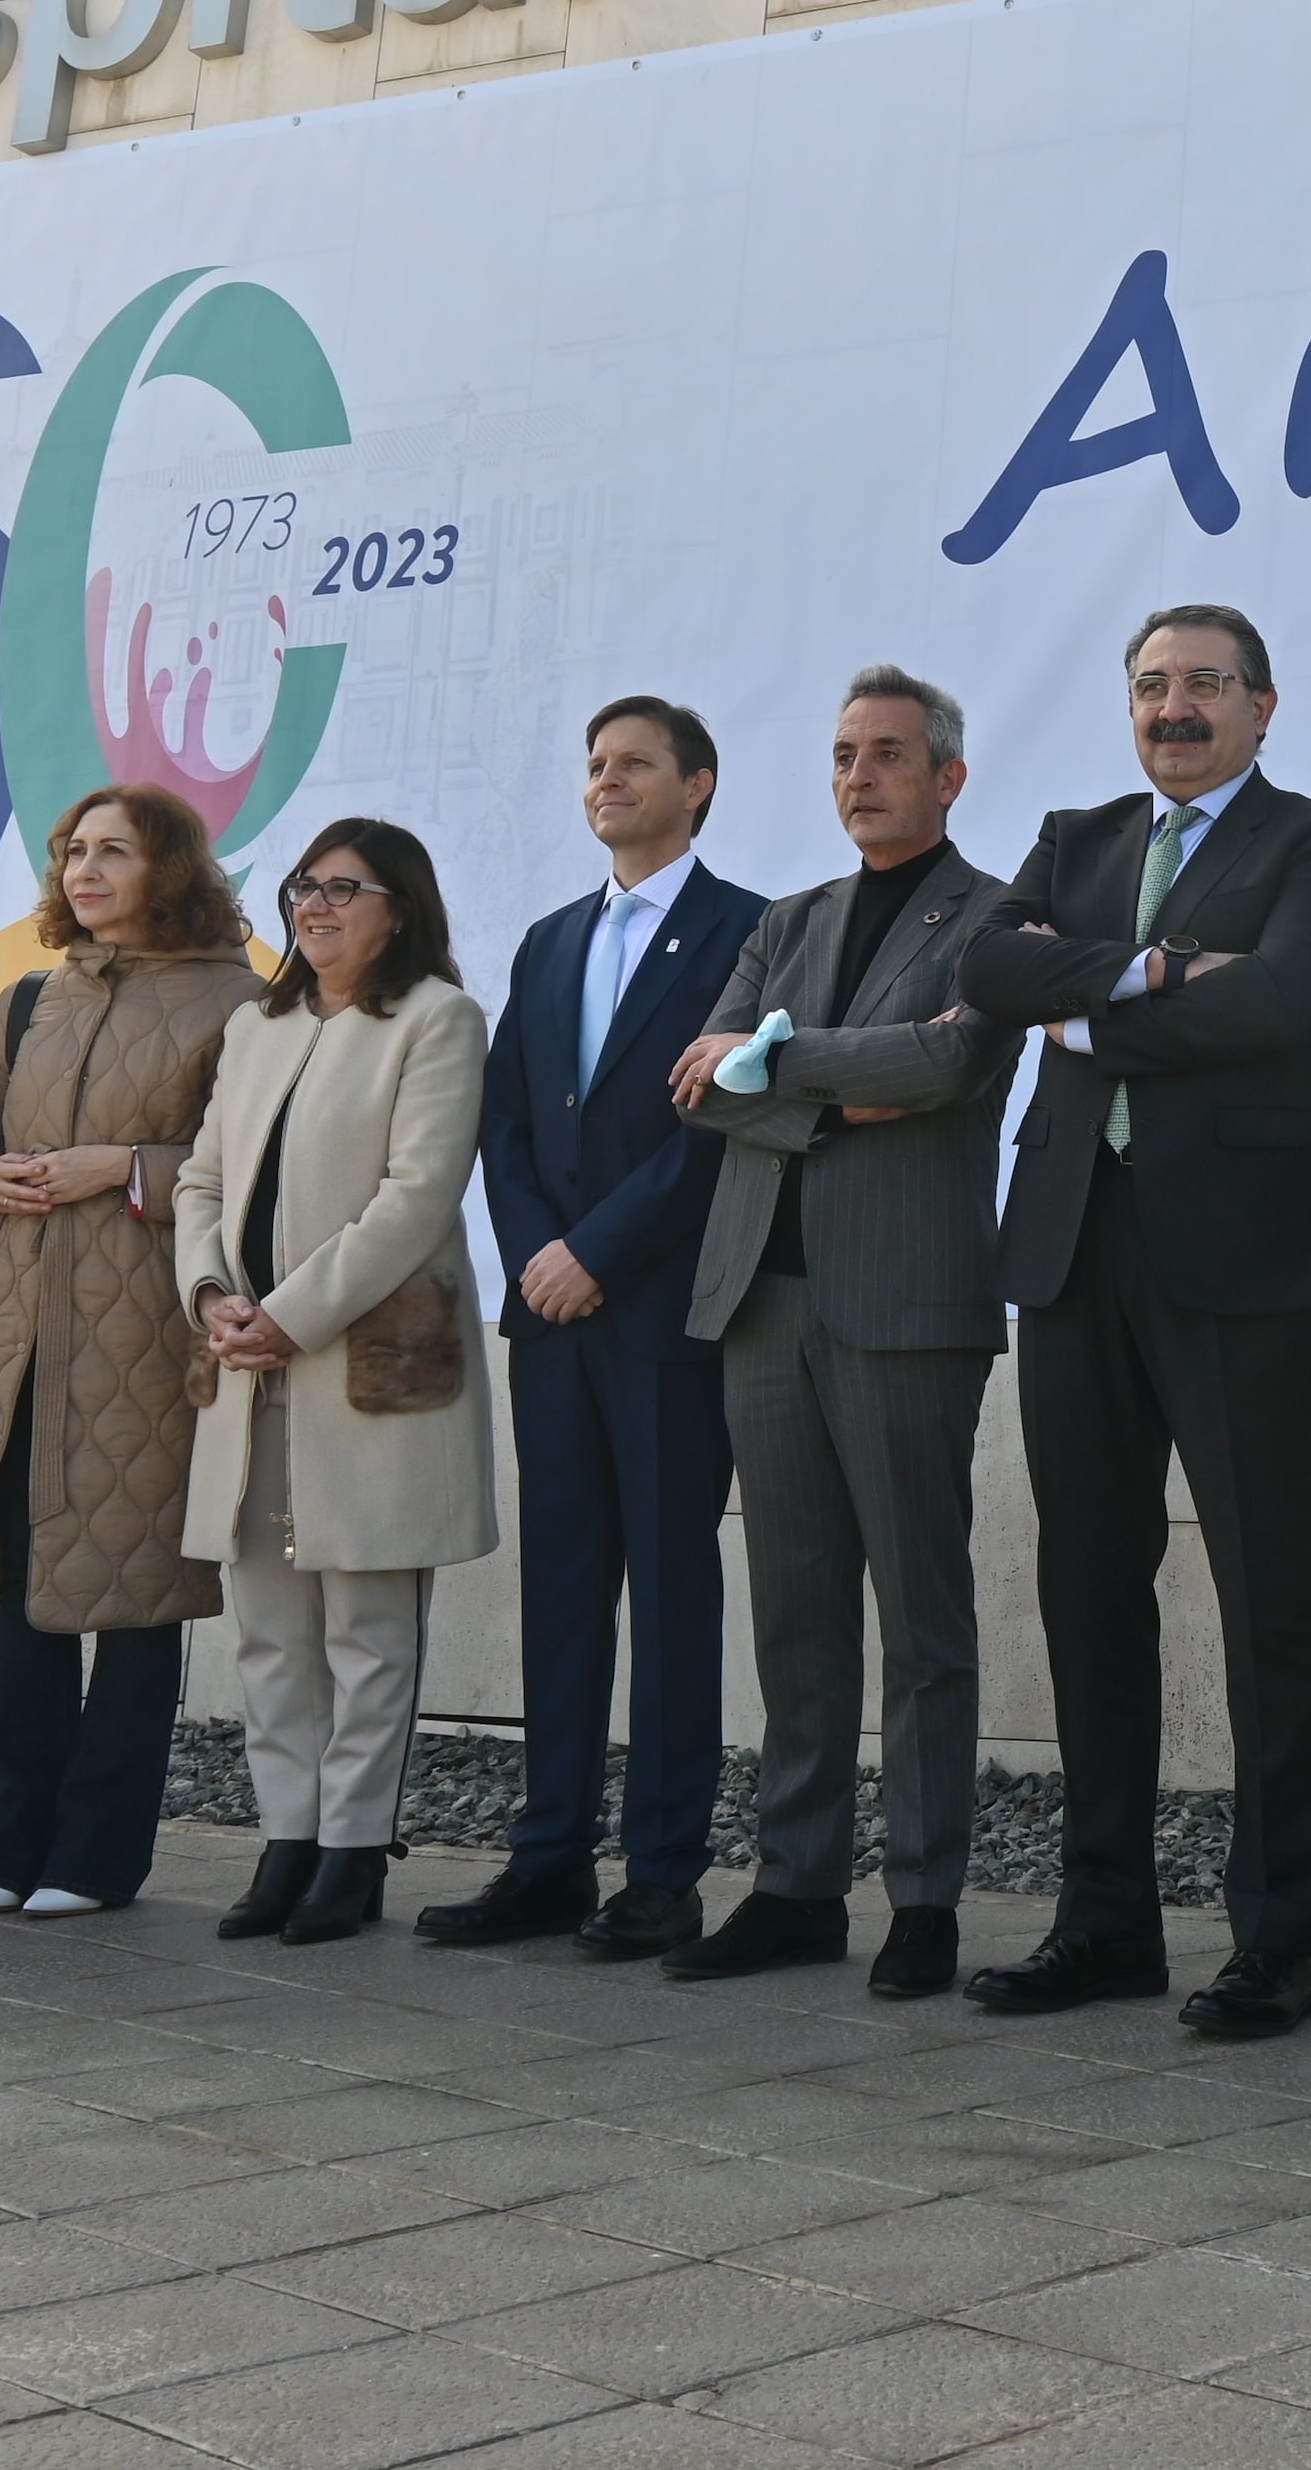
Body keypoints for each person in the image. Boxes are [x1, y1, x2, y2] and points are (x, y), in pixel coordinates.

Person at [957, 606, 1311, 2037]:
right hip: (1075, 1245)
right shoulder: (1077, 838)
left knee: (1268, 1596)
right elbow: (986, 972)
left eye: (1204, 684)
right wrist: (1150, 974)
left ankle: (1278, 1941)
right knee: (1086, 1587)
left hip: (1240, 1257)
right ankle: (1105, 1921)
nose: (1175, 707)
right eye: (1152, 685)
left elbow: (1289, 1006)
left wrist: (1076, 1007)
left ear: (1264, 704)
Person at [666, 667, 1019, 2001]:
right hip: (768, 1298)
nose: (859, 776)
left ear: (947, 776)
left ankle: (924, 1897)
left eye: (886, 754)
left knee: (923, 1619)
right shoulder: (788, 919)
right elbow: (701, 1089)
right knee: (794, 1614)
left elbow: (946, 1067)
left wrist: (780, 1058)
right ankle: (797, 1886)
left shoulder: (997, 916)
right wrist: (827, 1078)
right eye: (841, 755)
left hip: (909, 1306)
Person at [426, 699, 765, 1962]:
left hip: (663, 1312)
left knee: (672, 1588)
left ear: (700, 786)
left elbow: (714, 1129)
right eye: (594, 765)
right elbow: (506, 1120)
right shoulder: (551, 938)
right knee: (562, 1589)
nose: (607, 781)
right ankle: (549, 1856)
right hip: (553, 1318)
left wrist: (597, 1255)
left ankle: (664, 1873)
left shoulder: (748, 931)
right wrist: (533, 1261)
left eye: (635, 764)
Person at [0, 786, 256, 1921]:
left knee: (137, 1594)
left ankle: (98, 1856)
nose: (85, 869)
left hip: (146, 1326)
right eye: (72, 851)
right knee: (26, 1589)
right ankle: (7, 1846)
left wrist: (128, 1170)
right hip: (11, 1323)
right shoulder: (29, 997)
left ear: (172, 868)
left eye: (113, 851)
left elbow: (241, 1163)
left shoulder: (240, 1001)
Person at [179, 818, 500, 1948]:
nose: (314, 907)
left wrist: (291, 1315)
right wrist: (212, 1294)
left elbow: (416, 1199)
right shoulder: (253, 1026)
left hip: (360, 1364)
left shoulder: (437, 1020)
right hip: (244, 1363)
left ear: (397, 908)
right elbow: (200, 1182)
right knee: (268, 1625)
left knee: (367, 1626)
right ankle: (287, 1840)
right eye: (303, 887)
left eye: (343, 889)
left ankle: (355, 1852)